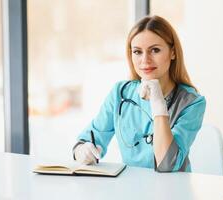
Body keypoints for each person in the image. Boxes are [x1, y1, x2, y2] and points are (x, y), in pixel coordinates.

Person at [72, 15, 206, 172]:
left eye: (155, 50)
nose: (145, 60)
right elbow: (89, 139)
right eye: (137, 52)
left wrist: (158, 106)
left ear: (173, 53)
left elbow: (167, 164)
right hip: (131, 189)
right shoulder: (120, 93)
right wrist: (82, 151)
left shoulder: (192, 102)